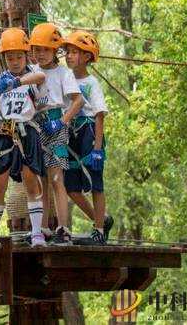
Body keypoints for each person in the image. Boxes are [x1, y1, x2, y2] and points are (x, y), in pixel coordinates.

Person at [0, 28, 47, 247]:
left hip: (27, 131)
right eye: (10, 57)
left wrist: (17, 83)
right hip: (4, 132)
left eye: (19, 56)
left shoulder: (31, 74)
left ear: (26, 55)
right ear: (4, 58)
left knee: (30, 181)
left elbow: (41, 76)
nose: (15, 61)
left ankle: (36, 232)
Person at [29, 23, 83, 245]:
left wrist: (62, 122)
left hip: (56, 124)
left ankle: (63, 228)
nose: (40, 54)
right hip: (35, 124)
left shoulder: (63, 73)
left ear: (55, 51)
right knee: (40, 179)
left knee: (56, 177)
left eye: (44, 50)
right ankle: (42, 228)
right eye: (36, 50)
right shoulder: (31, 71)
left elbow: (78, 101)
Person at [63, 31, 114, 244]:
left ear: (87, 57)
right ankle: (100, 219)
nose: (69, 56)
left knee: (95, 182)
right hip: (70, 135)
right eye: (67, 52)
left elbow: (99, 114)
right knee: (71, 186)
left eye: (74, 52)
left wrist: (97, 149)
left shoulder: (92, 83)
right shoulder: (64, 78)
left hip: (90, 133)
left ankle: (99, 232)